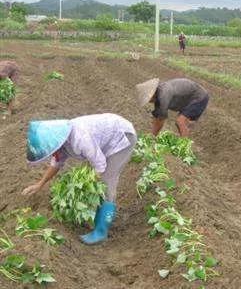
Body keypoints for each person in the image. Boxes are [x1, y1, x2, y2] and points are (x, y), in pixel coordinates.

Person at [22, 113, 137, 245]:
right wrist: (39, 184)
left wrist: (85, 187)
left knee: (106, 180)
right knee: (95, 176)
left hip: (122, 137)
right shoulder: (62, 141)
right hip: (105, 140)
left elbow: (100, 166)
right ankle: (98, 216)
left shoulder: (80, 138)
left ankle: (101, 231)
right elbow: (56, 163)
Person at [136, 78, 209, 137]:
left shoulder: (163, 96)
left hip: (199, 97)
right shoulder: (159, 93)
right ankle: (184, 141)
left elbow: (160, 120)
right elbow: (157, 117)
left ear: (152, 94)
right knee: (183, 123)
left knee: (180, 121)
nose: (149, 101)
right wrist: (151, 135)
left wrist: (152, 136)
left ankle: (184, 148)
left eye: (148, 99)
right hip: (188, 98)